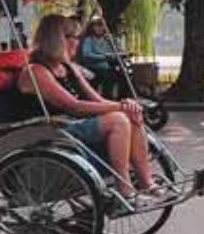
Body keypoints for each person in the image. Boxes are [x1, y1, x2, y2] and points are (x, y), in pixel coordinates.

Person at [17, 14, 156, 202]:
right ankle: (124, 190)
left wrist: (127, 105)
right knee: (118, 120)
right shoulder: (36, 71)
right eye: (74, 37)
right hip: (53, 130)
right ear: (59, 39)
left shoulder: (68, 68)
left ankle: (148, 184)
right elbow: (73, 106)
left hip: (76, 126)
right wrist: (120, 107)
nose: (78, 42)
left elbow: (97, 100)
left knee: (131, 116)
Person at [76, 17, 129, 99]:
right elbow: (86, 54)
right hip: (93, 66)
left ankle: (121, 97)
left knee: (123, 75)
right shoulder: (88, 40)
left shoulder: (105, 40)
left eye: (102, 26)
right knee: (108, 76)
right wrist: (104, 57)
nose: (100, 28)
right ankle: (105, 97)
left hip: (105, 66)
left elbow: (111, 51)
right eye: (97, 26)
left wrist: (119, 53)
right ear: (92, 27)